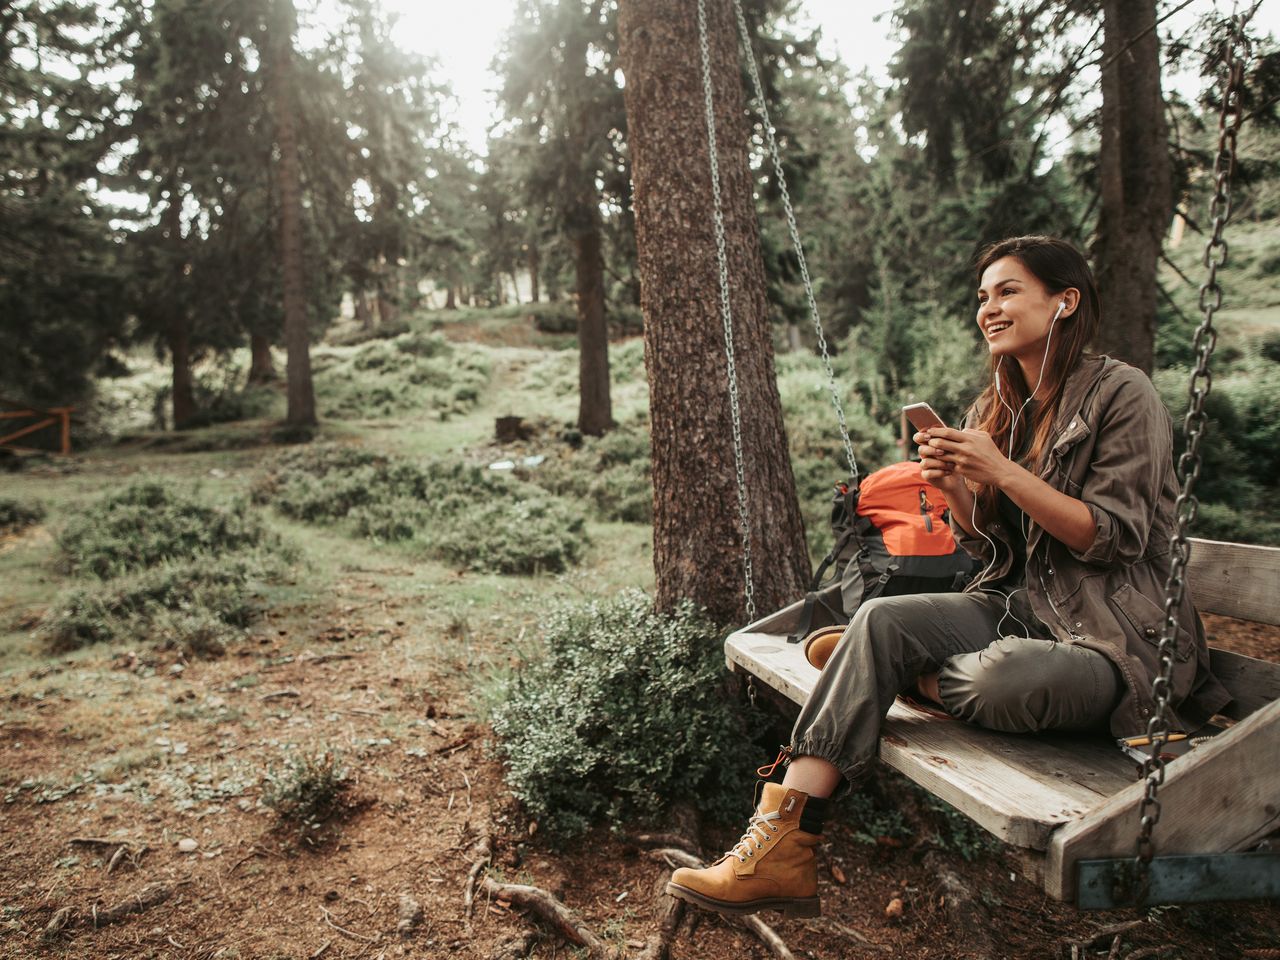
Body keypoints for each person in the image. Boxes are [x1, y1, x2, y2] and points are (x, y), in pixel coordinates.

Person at [665, 235, 1230, 919]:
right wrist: (958, 490)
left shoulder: (1121, 393)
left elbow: (1113, 536)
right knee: (880, 618)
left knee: (996, 680)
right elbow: (992, 546)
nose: (988, 308)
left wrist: (1000, 471)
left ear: (1065, 301)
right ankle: (782, 843)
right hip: (1021, 609)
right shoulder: (1000, 405)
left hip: (1117, 642)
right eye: (982, 297)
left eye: (1008, 291)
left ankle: (902, 672)